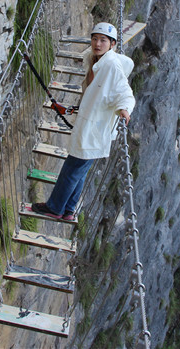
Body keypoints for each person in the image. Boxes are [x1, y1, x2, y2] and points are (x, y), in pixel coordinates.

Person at [32, 22, 135, 221]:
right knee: (79, 169)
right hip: (89, 124)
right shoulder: (94, 59)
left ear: (112, 44)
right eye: (95, 39)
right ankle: (69, 209)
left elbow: (126, 93)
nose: (97, 43)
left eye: (103, 40)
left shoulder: (111, 66)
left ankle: (55, 207)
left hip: (95, 129)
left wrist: (124, 109)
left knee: (71, 169)